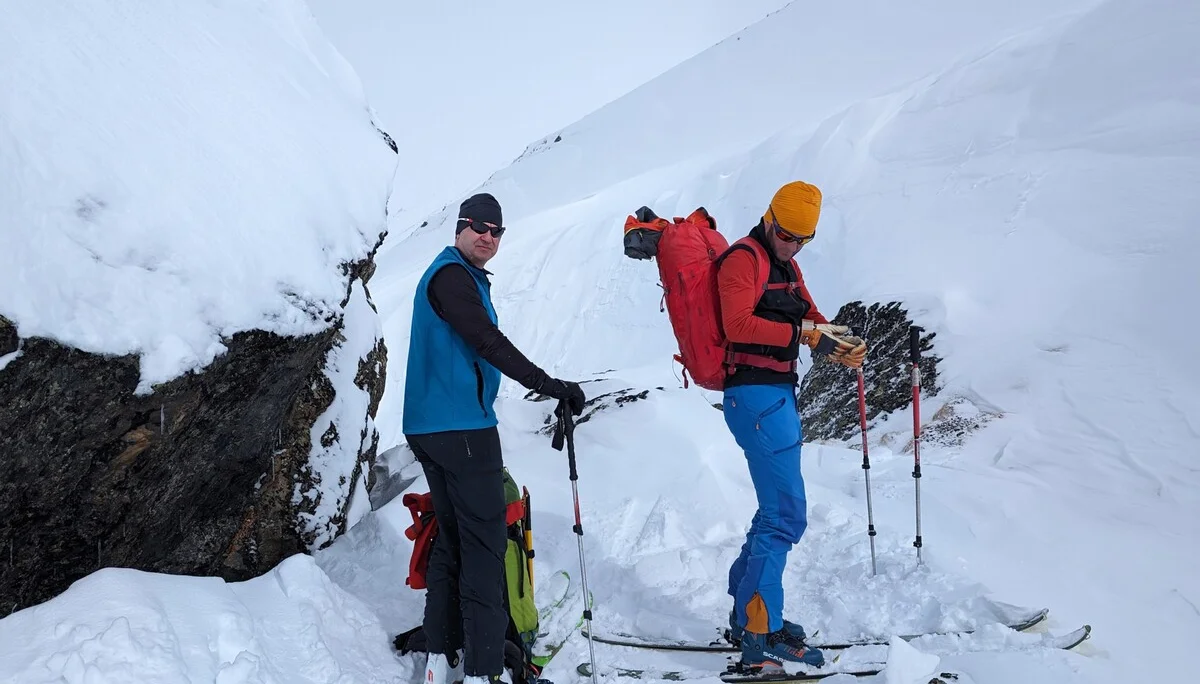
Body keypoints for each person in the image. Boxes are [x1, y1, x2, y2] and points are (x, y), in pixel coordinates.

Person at [402, 192, 587, 684]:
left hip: (431, 428)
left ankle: (443, 657)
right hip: (463, 429)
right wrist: (551, 386)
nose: (488, 235)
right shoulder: (451, 278)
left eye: (496, 230)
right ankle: (488, 671)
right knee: (484, 549)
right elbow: (485, 339)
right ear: (459, 228)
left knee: (454, 540)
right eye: (479, 226)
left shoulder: (453, 275)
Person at [715, 180, 866, 670]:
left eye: (804, 240)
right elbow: (736, 325)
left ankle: (748, 615)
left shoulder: (785, 265)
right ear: (769, 218)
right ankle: (760, 637)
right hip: (755, 397)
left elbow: (811, 316)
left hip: (775, 397)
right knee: (785, 515)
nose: (794, 246)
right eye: (787, 237)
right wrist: (804, 333)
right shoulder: (744, 259)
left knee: (774, 512)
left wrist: (838, 341)